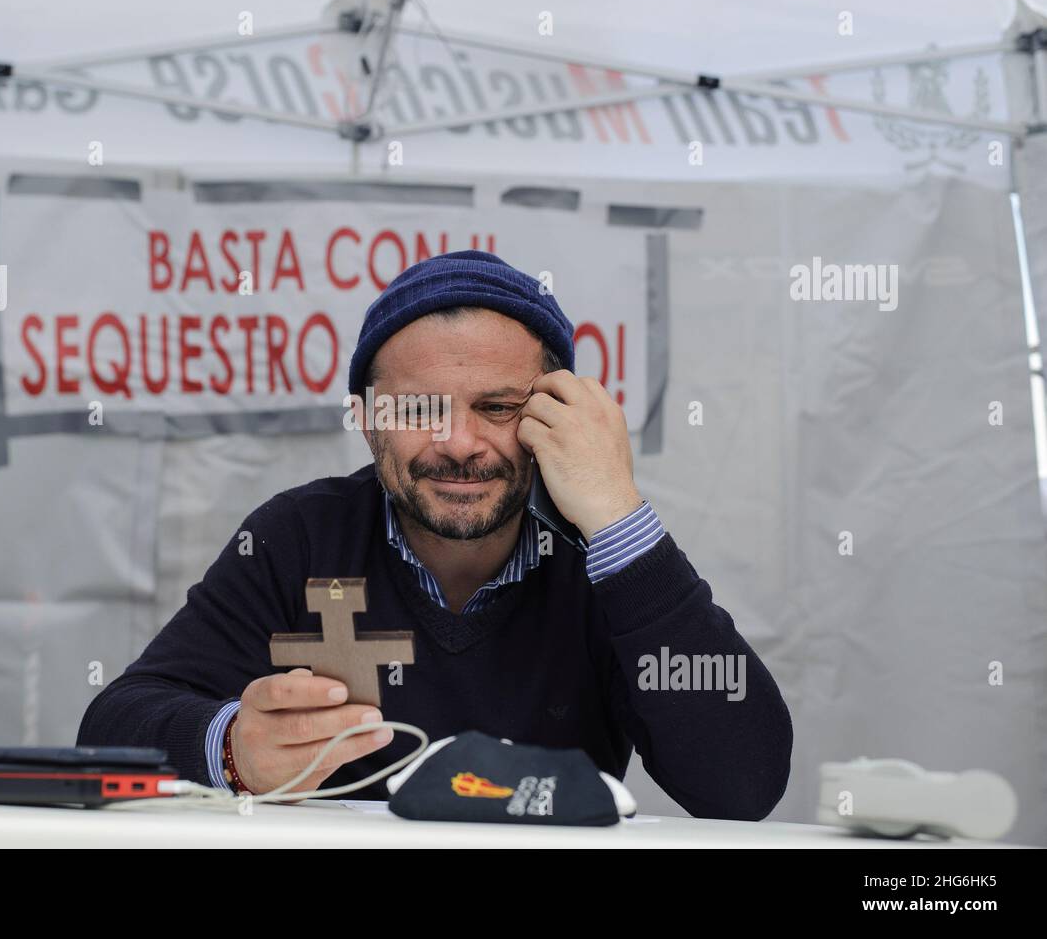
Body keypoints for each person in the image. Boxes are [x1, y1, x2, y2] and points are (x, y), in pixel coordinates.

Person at [78, 249, 793, 818]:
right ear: (367, 419)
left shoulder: (602, 559)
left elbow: (744, 783)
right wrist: (233, 749)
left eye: (498, 405)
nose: (458, 441)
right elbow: (111, 729)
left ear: (561, 415)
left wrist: (618, 515)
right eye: (419, 407)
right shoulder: (296, 538)